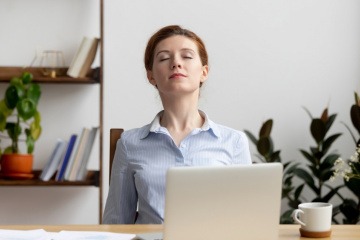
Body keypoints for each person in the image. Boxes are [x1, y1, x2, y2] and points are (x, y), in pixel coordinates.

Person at [103, 25, 252, 224]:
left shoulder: (233, 142)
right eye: (164, 58)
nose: (176, 63)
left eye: (187, 56)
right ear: (151, 76)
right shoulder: (129, 143)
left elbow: (247, 220)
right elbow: (116, 223)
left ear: (204, 72)